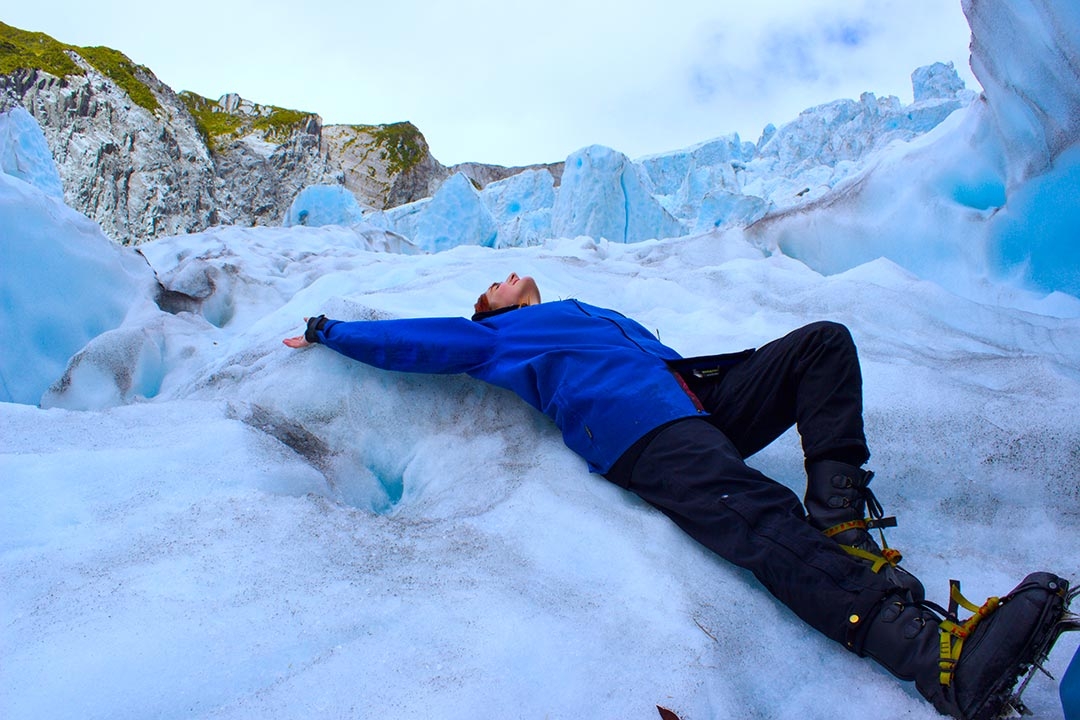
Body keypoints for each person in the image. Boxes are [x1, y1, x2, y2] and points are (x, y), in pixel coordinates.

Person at [284, 272, 1071, 720]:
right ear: (490, 310)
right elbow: (416, 342)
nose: (501, 277)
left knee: (821, 346)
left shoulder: (581, 311)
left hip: (696, 400)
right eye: (490, 284)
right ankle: (938, 663)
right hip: (644, 434)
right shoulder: (498, 335)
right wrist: (327, 330)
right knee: (759, 519)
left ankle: (841, 527)